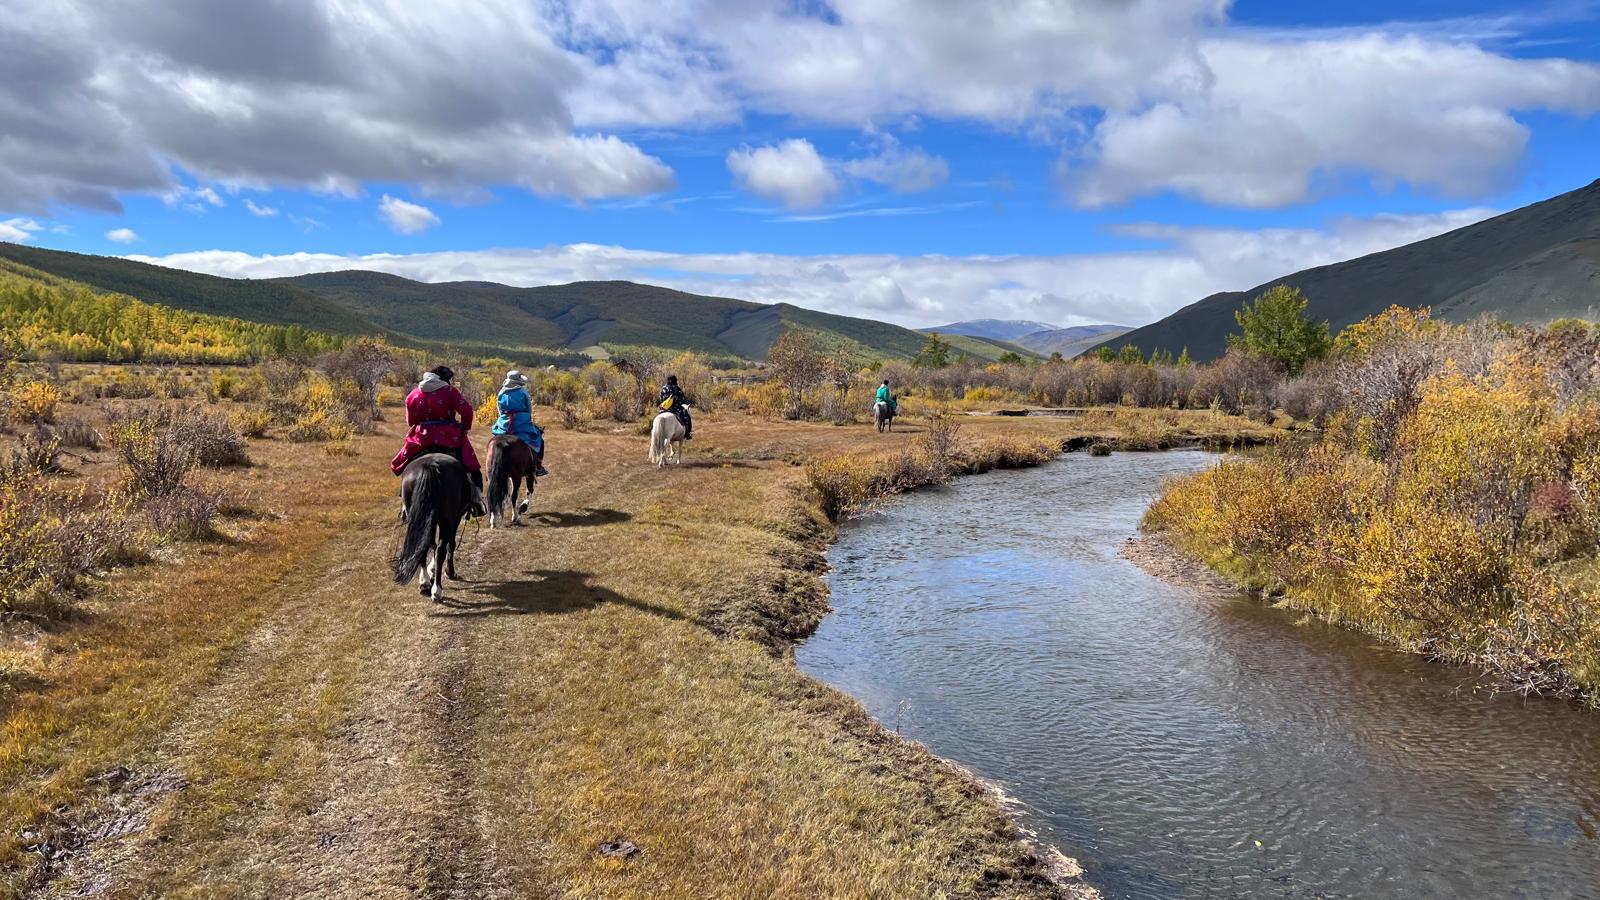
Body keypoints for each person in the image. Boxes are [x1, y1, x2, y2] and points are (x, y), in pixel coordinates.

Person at [391, 365, 486, 516]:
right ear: (445, 379)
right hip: (448, 437)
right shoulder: (449, 391)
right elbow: (467, 410)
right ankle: (477, 500)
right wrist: (464, 427)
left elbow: (410, 421)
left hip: (421, 438)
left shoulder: (413, 394)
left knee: (408, 463)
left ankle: (404, 504)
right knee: (471, 466)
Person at [492, 370, 549, 477]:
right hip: (521, 422)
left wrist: (504, 418)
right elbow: (529, 409)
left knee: (496, 439)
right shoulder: (523, 392)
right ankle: (538, 465)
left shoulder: (501, 392)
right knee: (538, 437)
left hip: (504, 423)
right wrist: (527, 419)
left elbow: (499, 409)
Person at [657, 374, 692, 440]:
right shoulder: (677, 388)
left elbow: (661, 399)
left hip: (664, 409)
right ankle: (688, 433)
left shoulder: (664, 388)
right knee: (687, 417)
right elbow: (682, 399)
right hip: (675, 409)